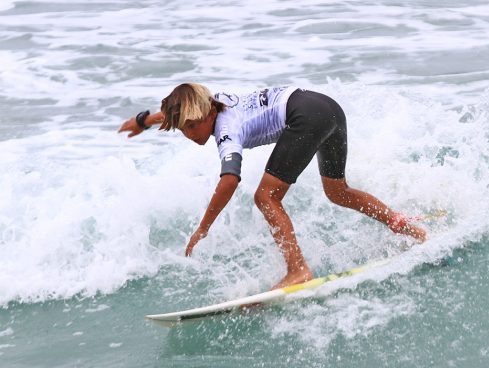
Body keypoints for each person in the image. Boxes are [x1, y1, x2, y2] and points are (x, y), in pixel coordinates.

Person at [118, 84, 426, 290]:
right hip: (327, 108)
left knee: (265, 197)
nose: (189, 134)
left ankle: (298, 270)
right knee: (337, 191)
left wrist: (203, 227)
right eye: (182, 128)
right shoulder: (214, 100)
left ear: (206, 114)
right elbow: (176, 111)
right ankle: (405, 226)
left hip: (305, 117)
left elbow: (229, 180)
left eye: (191, 126)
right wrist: (144, 121)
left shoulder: (227, 130)